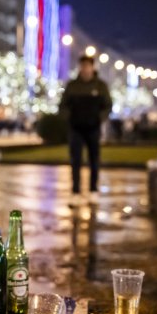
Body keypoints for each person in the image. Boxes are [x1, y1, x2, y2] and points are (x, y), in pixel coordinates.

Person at [59, 55, 112, 207]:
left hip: (93, 128)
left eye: (88, 66)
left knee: (94, 160)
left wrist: (99, 118)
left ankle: (93, 190)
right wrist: (69, 118)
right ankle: (75, 192)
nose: (85, 69)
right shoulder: (72, 86)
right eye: (83, 66)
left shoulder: (100, 86)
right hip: (76, 128)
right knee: (75, 160)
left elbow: (108, 105)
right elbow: (63, 106)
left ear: (92, 67)